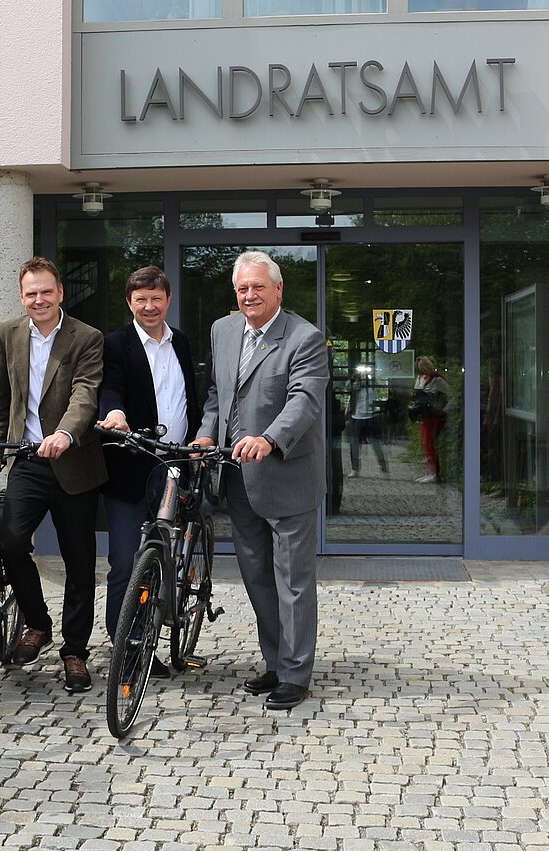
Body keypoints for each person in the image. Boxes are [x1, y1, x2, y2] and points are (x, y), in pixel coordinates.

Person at [193, 251, 328, 711]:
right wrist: (206, 431)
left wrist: (270, 439)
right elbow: (217, 393)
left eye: (258, 288)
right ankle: (274, 662)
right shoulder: (223, 330)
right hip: (236, 478)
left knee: (293, 580)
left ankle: (295, 674)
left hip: (287, 476)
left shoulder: (305, 338)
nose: (249, 296)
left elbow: (305, 401)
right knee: (257, 577)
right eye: (242, 289)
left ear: (278, 290)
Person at [0, 257, 106, 693]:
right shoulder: (8, 333)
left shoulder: (86, 337)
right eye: (31, 293)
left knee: (78, 561)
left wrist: (66, 433)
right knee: (10, 542)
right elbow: (0, 397)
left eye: (46, 291)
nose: (39, 299)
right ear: (22, 296)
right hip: (28, 461)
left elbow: (85, 394)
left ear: (60, 293)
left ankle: (75, 651)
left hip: (74, 463)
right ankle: (37, 622)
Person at [95, 266, 200, 677]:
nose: (149, 306)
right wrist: (114, 412)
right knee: (125, 560)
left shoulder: (182, 342)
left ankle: (153, 635)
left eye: (156, 298)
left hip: (174, 465)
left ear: (167, 299)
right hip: (129, 468)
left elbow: (190, 394)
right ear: (129, 303)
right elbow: (110, 388)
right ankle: (126, 647)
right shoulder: (116, 344)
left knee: (163, 557)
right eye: (141, 299)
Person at [347, 368, 389, 478]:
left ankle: (383, 467)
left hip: (370, 416)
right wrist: (355, 380)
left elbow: (376, 389)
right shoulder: (355, 385)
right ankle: (355, 468)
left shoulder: (371, 384)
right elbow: (349, 393)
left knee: (375, 444)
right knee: (354, 444)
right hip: (357, 416)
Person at [414, 355, 449, 484]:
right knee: (426, 443)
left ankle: (435, 472)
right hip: (427, 415)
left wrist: (444, 410)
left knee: (430, 443)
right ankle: (431, 471)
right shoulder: (423, 379)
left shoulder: (437, 380)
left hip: (435, 416)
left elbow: (451, 395)